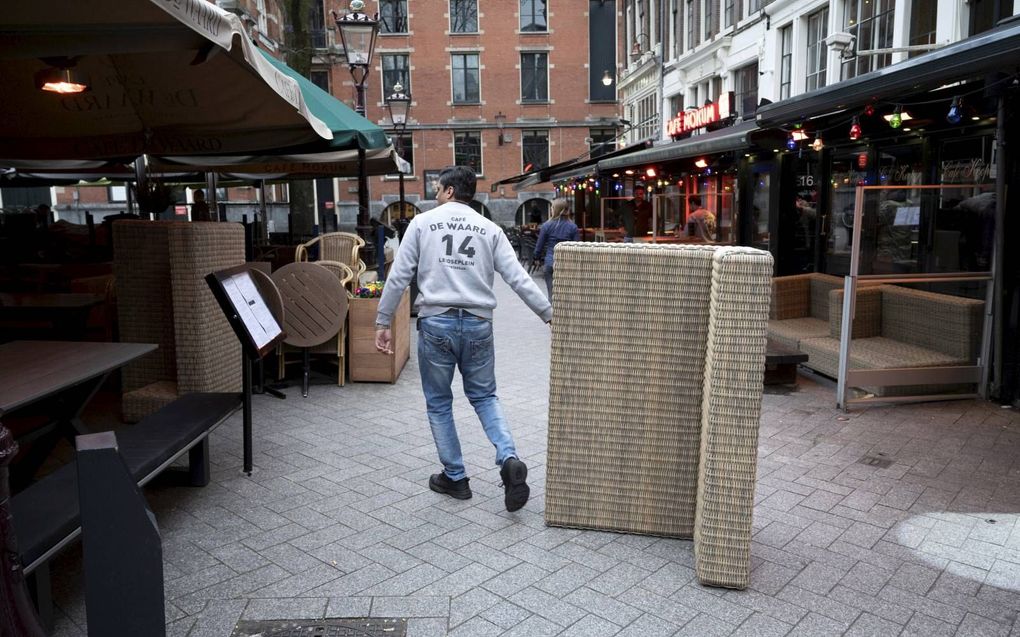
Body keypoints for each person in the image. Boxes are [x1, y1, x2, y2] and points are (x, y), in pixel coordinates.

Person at [374, 166, 552, 512]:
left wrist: (383, 320)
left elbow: (399, 276)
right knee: (484, 396)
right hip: (477, 323)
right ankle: (508, 457)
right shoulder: (490, 229)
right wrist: (549, 314)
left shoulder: (422, 224)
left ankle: (455, 477)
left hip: (436, 322)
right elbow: (518, 277)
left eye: (439, 189)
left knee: (439, 402)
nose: (436, 194)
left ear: (451, 191)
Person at [534, 198, 579, 298]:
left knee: (552, 295)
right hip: (567, 264)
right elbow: (578, 248)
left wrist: (536, 258)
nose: (550, 210)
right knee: (568, 296)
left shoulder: (546, 226)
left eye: (552, 208)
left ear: (555, 210)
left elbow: (539, 246)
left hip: (550, 263)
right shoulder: (573, 227)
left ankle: (553, 313)